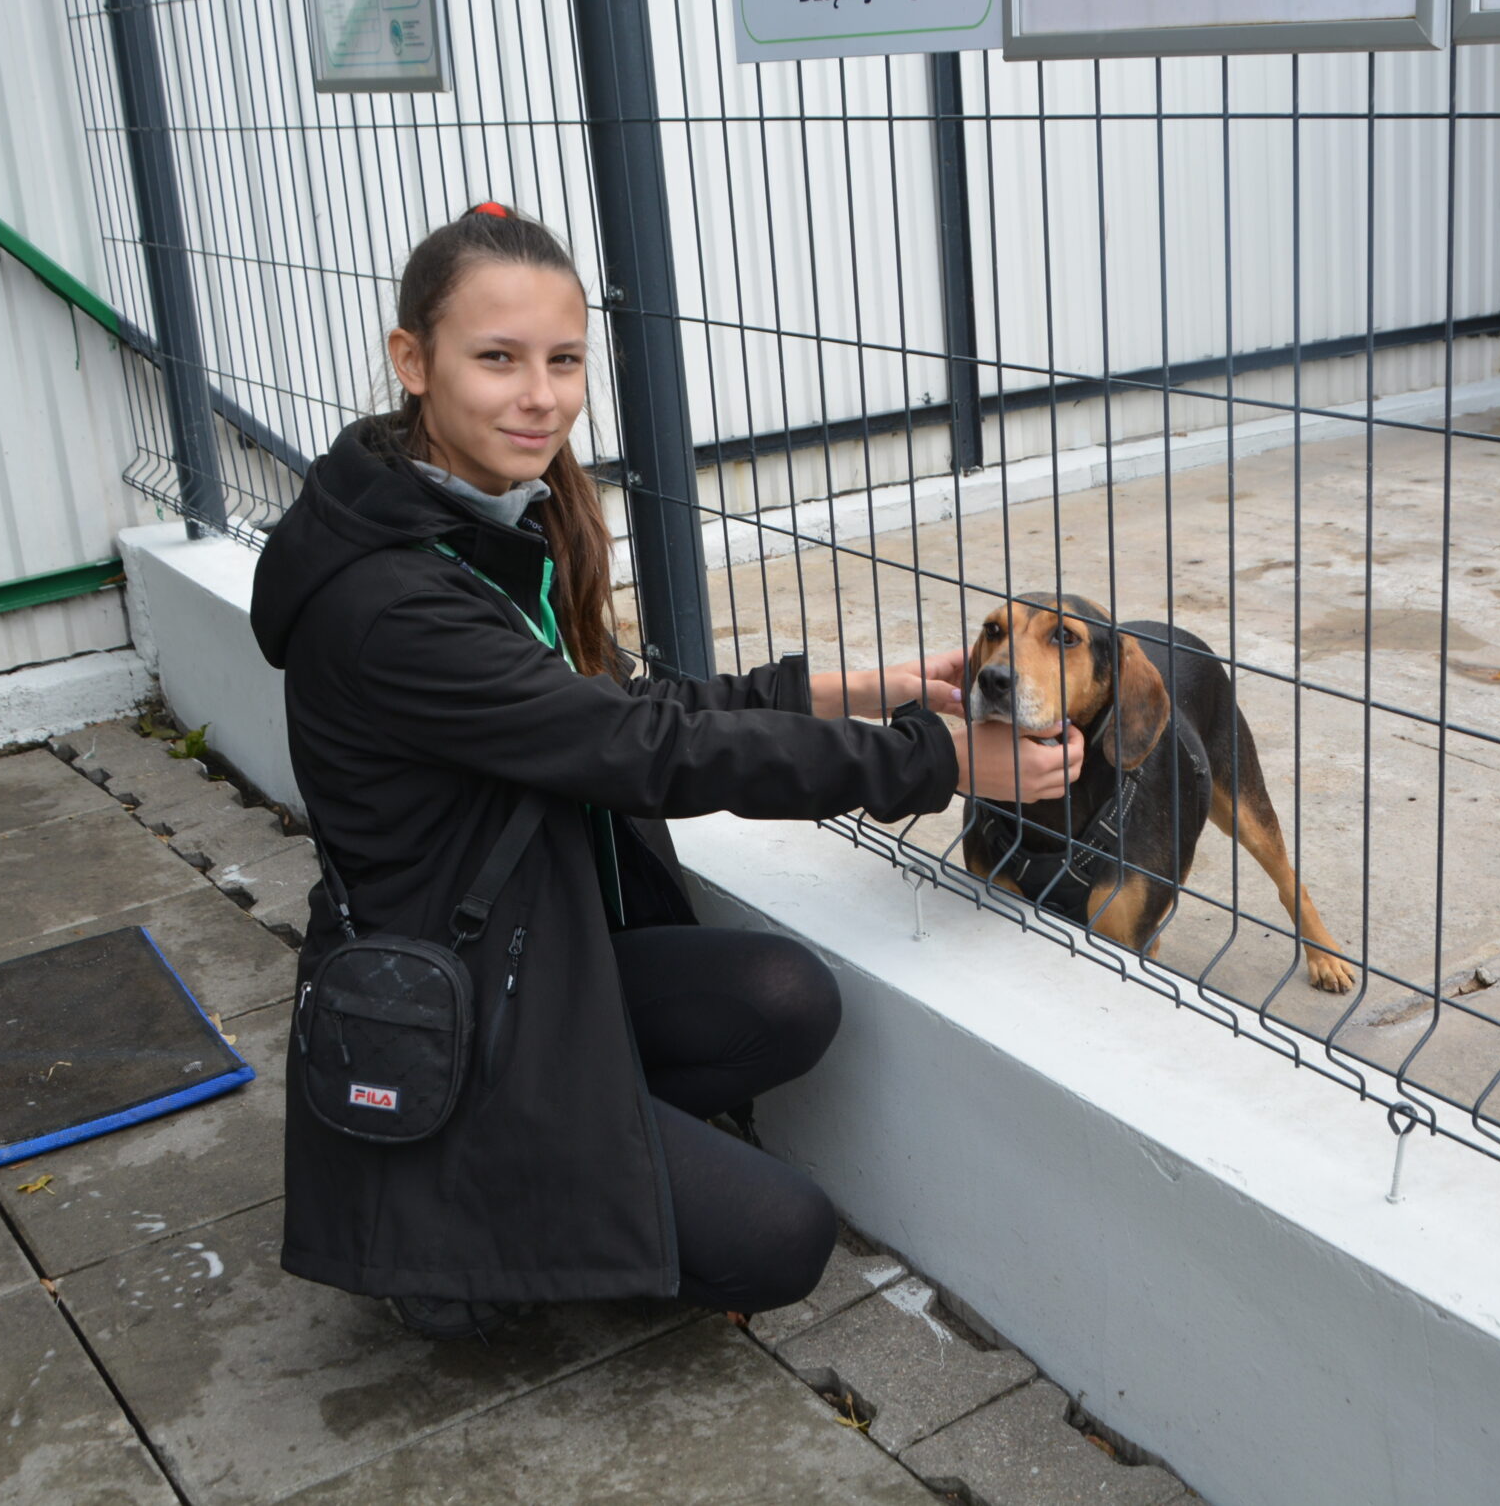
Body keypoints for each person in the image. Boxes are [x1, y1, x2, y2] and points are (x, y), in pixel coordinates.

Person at [249, 203, 1082, 1338]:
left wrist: (857, 686)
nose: (540, 396)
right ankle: (467, 1231)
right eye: (496, 359)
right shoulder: (395, 603)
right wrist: (936, 761)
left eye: (563, 360)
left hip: (535, 961)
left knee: (784, 998)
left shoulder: (475, 523)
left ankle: (588, 1150)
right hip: (458, 1015)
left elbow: (628, 708)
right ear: (413, 360)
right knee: (783, 1238)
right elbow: (647, 751)